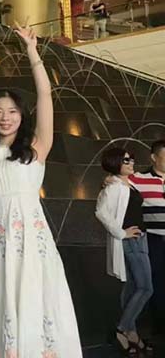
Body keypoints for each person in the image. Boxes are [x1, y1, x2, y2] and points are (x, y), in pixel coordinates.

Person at [0, 23, 82, 357]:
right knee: (2, 307)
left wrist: (33, 51)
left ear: (22, 116)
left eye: (12, 112)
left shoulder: (36, 148)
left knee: (38, 304)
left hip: (33, 247)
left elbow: (46, 96)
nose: (5, 118)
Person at [96, 147, 153, 355]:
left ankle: (131, 332)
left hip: (140, 239)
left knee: (132, 288)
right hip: (132, 241)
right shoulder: (114, 187)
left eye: (132, 159)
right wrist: (121, 233)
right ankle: (121, 329)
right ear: (116, 163)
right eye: (126, 160)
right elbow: (101, 212)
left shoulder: (127, 183)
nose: (131, 163)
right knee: (145, 288)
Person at [129, 140, 165, 340]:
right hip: (154, 239)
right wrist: (108, 180)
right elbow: (118, 182)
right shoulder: (139, 179)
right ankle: (158, 328)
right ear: (154, 157)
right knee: (156, 282)